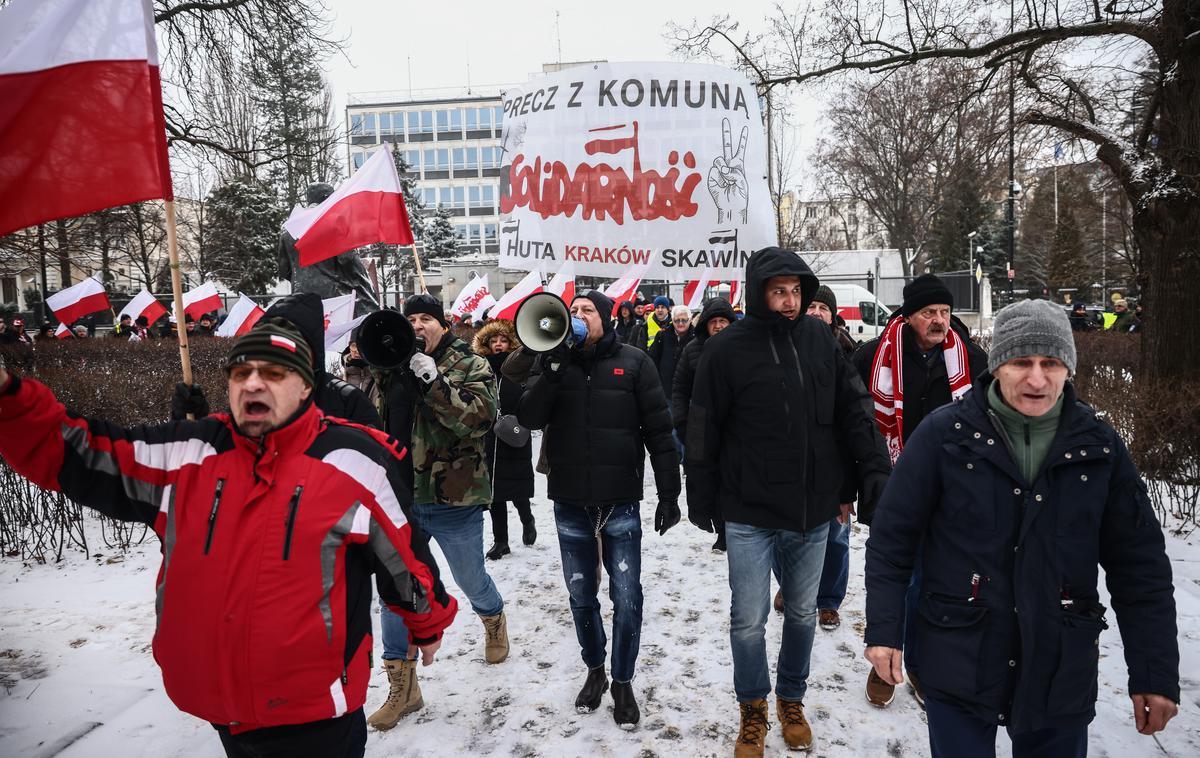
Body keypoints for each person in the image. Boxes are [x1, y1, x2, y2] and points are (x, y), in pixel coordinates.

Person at [0, 318, 457, 758]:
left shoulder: (353, 460)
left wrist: (427, 620)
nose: (253, 384)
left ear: (305, 388)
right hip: (218, 705)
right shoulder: (188, 453)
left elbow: (404, 556)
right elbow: (77, 453)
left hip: (315, 714)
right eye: (241, 372)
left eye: (274, 373)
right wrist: (7, 395)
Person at [864, 299, 1179, 758]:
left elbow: (1141, 567)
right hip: (959, 655)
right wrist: (885, 630)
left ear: (1068, 367)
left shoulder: (1099, 446)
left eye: (1051, 363)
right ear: (996, 368)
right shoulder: (944, 436)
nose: (1037, 379)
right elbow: (892, 543)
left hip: (1060, 665)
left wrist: (1154, 673)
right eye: (1021, 362)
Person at [685, 247, 891, 756]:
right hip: (748, 508)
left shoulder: (821, 338)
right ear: (758, 293)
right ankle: (752, 708)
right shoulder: (726, 348)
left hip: (812, 508)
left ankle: (791, 700)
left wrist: (867, 472)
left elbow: (852, 408)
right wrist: (701, 494)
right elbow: (703, 425)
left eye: (796, 291)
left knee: (801, 613)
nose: (789, 301)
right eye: (778, 291)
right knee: (748, 619)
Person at [518, 288, 681, 730]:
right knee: (580, 595)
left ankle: (623, 680)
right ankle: (595, 670)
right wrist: (552, 369)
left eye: (588, 311)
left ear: (607, 319)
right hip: (570, 501)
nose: (578, 316)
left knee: (627, 597)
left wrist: (669, 494)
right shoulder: (553, 360)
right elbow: (528, 418)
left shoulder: (635, 361)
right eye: (573, 311)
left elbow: (660, 432)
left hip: (620, 501)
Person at [367, 293, 506, 731]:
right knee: (396, 591)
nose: (418, 325)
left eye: (427, 317)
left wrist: (434, 383)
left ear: (443, 325)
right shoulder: (390, 368)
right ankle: (403, 687)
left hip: (453, 497)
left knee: (468, 578)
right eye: (411, 319)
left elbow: (478, 420)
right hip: (398, 499)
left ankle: (493, 618)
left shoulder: (469, 364)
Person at [851, 273, 989, 709]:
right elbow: (852, 422)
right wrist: (856, 480)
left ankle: (921, 666)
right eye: (929, 313)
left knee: (935, 580)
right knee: (897, 572)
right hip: (892, 481)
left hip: (953, 487)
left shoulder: (971, 357)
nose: (938, 320)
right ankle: (884, 662)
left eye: (945, 313)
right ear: (908, 316)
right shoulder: (873, 356)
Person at [172, 294, 382, 430]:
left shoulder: (347, 401)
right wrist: (190, 422)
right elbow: (225, 456)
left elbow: (380, 475)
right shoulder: (255, 394)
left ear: (311, 350)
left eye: (292, 343)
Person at [804, 285, 859, 631]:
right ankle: (793, 589)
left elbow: (856, 420)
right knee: (788, 535)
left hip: (837, 464)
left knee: (836, 538)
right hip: (794, 462)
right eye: (810, 306)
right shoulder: (783, 347)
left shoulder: (850, 354)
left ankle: (828, 601)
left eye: (823, 307)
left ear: (833, 315)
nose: (816, 312)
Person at [670, 296, 735, 551]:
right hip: (701, 428)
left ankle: (732, 529)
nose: (719, 326)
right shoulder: (693, 349)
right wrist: (682, 421)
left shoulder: (743, 347)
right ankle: (719, 528)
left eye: (724, 321)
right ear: (706, 324)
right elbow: (679, 387)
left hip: (735, 429)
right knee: (708, 481)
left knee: (733, 480)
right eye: (714, 321)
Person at [472, 320, 536, 560]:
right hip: (488, 435)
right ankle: (501, 541)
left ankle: (527, 519)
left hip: (515, 433)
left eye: (503, 340)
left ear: (511, 343)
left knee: (517, 486)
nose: (498, 344)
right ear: (486, 344)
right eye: (493, 341)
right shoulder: (479, 367)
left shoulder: (521, 366)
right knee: (494, 492)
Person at [648, 305, 694, 412]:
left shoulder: (696, 337)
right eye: (677, 320)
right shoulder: (662, 336)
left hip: (689, 392)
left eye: (684, 320)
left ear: (690, 320)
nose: (680, 323)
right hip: (666, 390)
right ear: (672, 320)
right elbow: (652, 360)